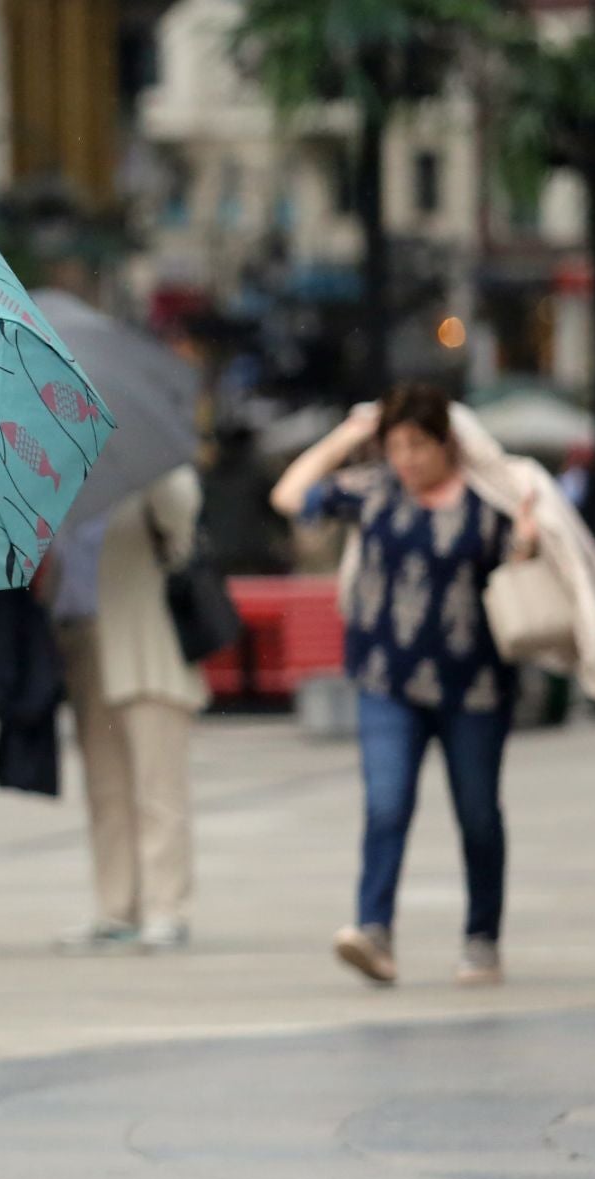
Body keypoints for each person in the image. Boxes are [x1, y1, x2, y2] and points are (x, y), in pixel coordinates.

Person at [272, 385, 540, 988]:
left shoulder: (486, 502)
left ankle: (482, 938)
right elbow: (288, 495)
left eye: (418, 446)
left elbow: (522, 567)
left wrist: (525, 543)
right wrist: (346, 436)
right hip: (385, 678)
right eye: (395, 446)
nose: (407, 460)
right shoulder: (375, 490)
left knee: (477, 814)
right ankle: (375, 932)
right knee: (386, 803)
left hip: (473, 687)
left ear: (447, 444)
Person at [49, 464, 208, 953]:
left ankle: (166, 908)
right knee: (105, 788)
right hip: (82, 636)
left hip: (146, 643)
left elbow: (182, 514)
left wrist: (144, 469)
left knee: (159, 787)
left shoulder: (152, 463)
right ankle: (115, 908)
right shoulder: (65, 469)